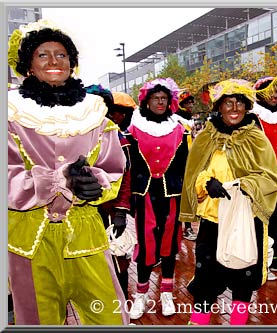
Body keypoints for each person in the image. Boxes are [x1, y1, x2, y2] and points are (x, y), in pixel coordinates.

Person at [7, 19, 128, 325]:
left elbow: (112, 167)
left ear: (72, 63)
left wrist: (95, 183)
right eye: (42, 54)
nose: (53, 60)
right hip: (28, 238)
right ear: (28, 65)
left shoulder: (94, 112)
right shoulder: (9, 112)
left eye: (61, 54)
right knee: (37, 320)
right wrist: (62, 179)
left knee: (111, 318)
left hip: (85, 233)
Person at [179, 79, 277, 325]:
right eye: (228, 103)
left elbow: (270, 178)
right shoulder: (205, 138)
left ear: (246, 107)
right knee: (205, 280)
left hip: (246, 220)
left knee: (243, 282)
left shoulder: (257, 138)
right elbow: (194, 174)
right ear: (219, 107)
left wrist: (245, 186)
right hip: (213, 221)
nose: (234, 108)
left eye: (239, 103)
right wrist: (206, 183)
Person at [125, 78, 189, 319]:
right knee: (145, 243)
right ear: (147, 101)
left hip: (172, 194)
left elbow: (185, 166)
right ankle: (140, 295)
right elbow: (129, 167)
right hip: (145, 195)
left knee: (170, 246)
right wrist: (128, 199)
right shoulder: (134, 130)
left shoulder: (180, 130)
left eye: (164, 98)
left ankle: (166, 293)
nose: (160, 102)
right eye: (155, 98)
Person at [85, 85, 136, 298]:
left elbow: (126, 178)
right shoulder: (71, 134)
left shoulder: (116, 136)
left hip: (109, 210)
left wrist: (121, 212)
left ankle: (121, 307)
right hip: (81, 214)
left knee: (117, 259)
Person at [250, 76, 277, 280]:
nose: (275, 96)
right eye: (271, 92)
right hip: (260, 177)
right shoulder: (253, 118)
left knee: (276, 219)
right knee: (260, 220)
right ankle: (260, 261)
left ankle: (274, 258)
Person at [173, 90, 198, 241]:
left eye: (191, 102)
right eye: (187, 102)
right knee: (179, 196)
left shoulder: (189, 120)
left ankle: (188, 226)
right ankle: (181, 228)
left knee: (188, 194)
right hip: (178, 163)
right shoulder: (175, 121)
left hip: (190, 162)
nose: (191, 105)